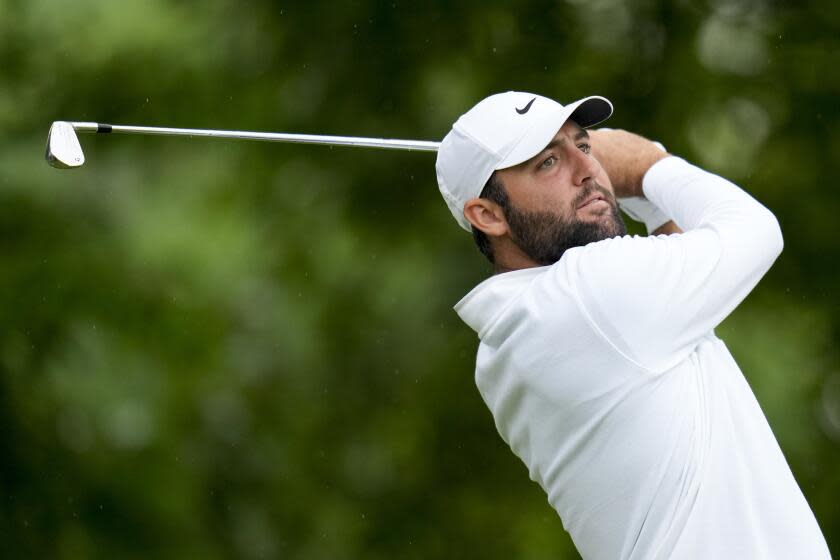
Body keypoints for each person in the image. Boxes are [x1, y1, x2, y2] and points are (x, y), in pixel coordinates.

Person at [435, 91, 830, 559]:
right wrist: (650, 168)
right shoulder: (589, 292)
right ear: (488, 214)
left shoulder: (517, 333)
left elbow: (681, 281)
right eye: (546, 163)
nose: (588, 171)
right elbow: (757, 230)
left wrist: (651, 200)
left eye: (583, 147)